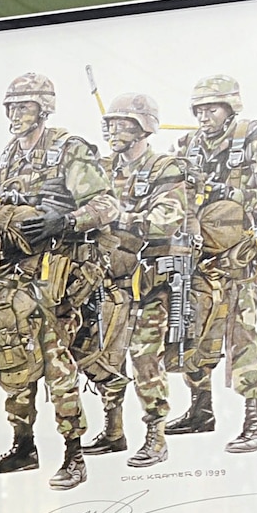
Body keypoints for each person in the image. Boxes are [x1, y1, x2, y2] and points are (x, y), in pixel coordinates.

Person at [0, 71, 117, 490]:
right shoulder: (9, 155)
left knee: (56, 360)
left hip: (61, 270)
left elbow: (108, 204)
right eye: (12, 106)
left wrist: (67, 219)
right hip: (18, 271)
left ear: (43, 108)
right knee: (12, 354)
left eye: (24, 106)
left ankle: (74, 455)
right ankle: (24, 446)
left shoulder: (68, 149)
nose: (16, 113)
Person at [169, 72, 257, 452]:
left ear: (230, 107)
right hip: (197, 254)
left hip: (239, 255)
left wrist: (230, 192)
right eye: (200, 109)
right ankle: (200, 409)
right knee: (192, 329)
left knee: (241, 335)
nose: (204, 116)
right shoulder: (187, 144)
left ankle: (255, 420)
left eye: (212, 108)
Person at [95, 91, 197, 469]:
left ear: (144, 128)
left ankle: (156, 435)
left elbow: (166, 220)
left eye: (124, 124)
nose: (114, 130)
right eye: (111, 123)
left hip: (152, 281)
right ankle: (112, 430)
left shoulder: (165, 168)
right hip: (108, 277)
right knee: (106, 354)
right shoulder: (104, 169)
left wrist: (118, 217)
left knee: (144, 358)